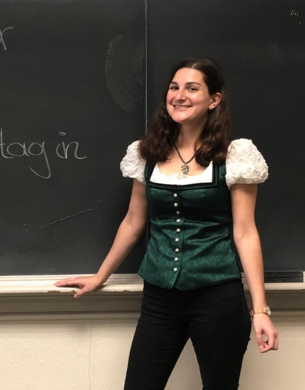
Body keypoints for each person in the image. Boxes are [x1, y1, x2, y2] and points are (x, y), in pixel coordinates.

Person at [55, 58, 278, 389]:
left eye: (192, 88)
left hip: (216, 298)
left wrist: (260, 309)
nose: (179, 95)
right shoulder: (148, 153)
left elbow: (245, 233)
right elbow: (133, 221)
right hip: (159, 298)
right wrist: (100, 276)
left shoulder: (234, 157)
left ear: (214, 99)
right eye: (174, 87)